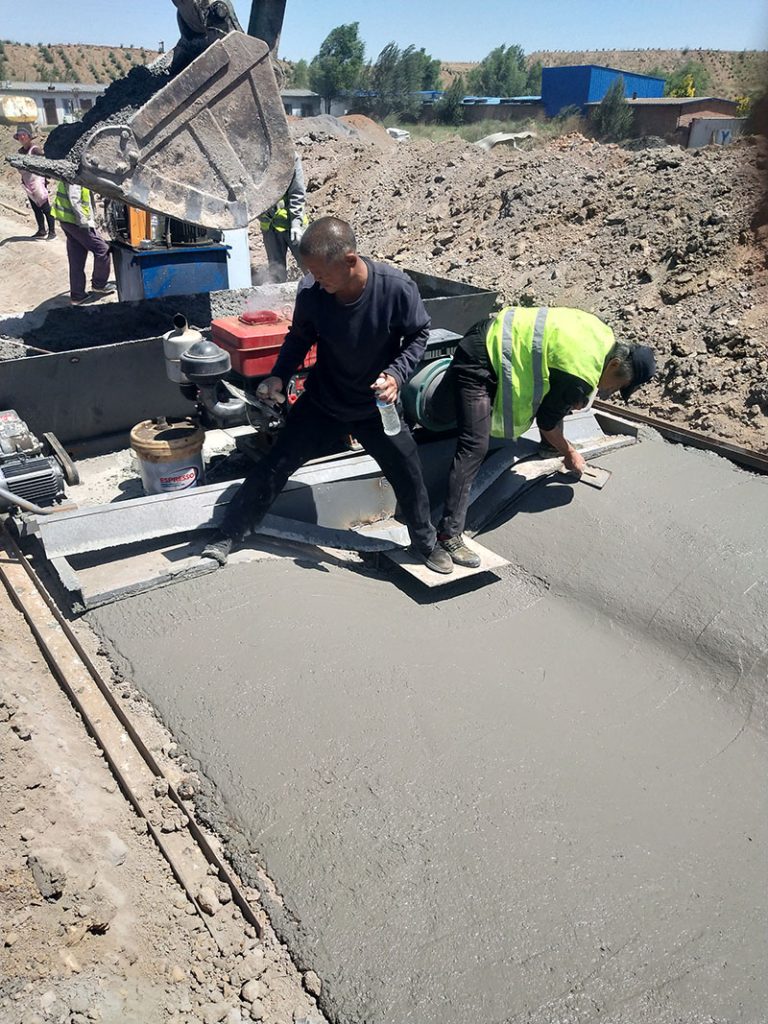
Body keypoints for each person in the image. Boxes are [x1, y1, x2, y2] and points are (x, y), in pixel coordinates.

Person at [203, 216, 453, 574]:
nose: (315, 280)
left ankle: (425, 543)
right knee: (276, 463)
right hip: (324, 401)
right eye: (311, 272)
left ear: (350, 260)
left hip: (376, 406)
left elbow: (418, 334)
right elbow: (299, 338)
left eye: (321, 273)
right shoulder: (312, 293)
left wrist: (397, 375)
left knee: (408, 471)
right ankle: (230, 532)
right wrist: (279, 376)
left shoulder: (395, 288)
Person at [436, 306, 656, 568]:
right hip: (483, 358)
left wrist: (567, 406)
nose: (610, 390)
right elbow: (548, 422)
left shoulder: (601, 335)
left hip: (490, 333)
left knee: (440, 413)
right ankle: (447, 535)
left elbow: (553, 373)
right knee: (474, 446)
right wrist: (569, 452)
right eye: (618, 385)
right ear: (615, 364)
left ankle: (546, 445)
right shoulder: (580, 374)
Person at [50, 181, 115, 306]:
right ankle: (99, 284)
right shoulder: (75, 176)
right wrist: (84, 222)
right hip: (76, 221)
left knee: (77, 257)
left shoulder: (72, 174)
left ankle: (77, 296)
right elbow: (74, 199)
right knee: (103, 249)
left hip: (67, 219)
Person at [258, 152, 308, 283]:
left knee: (310, 269)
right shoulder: (255, 156)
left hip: (292, 224)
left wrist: (296, 224)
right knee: (276, 274)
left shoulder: (289, 156)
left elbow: (297, 192)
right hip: (270, 227)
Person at [13, 126, 56, 240]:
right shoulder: (20, 152)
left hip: (38, 182)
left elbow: (45, 164)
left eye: (24, 135)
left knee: (45, 208)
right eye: (19, 135)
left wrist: (46, 178)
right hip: (28, 183)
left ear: (29, 137)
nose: (22, 137)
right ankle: (41, 230)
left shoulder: (36, 150)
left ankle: (52, 232)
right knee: (36, 208)